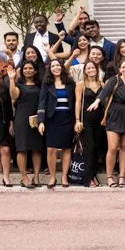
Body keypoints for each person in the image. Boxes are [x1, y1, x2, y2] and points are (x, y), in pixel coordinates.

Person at [95, 58, 125, 187]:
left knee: (124, 147)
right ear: (119, 69)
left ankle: (122, 176)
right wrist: (96, 102)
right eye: (123, 67)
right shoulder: (114, 80)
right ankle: (109, 177)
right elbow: (104, 92)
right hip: (114, 115)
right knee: (112, 147)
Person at [36, 57, 76, 188]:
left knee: (66, 148)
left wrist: (77, 121)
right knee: (51, 149)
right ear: (49, 69)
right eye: (53, 66)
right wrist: (41, 121)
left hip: (68, 119)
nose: (56, 68)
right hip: (52, 119)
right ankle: (53, 177)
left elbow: (76, 102)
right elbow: (41, 102)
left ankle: (64, 176)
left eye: (58, 65)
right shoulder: (46, 83)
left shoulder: (70, 83)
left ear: (62, 67)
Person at [10, 60, 44, 187]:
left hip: (37, 119)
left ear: (35, 71)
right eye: (25, 68)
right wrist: (12, 80)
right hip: (22, 119)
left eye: (30, 68)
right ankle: (24, 178)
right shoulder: (19, 85)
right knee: (22, 149)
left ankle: (36, 177)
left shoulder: (40, 86)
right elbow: (13, 95)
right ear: (22, 71)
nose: (28, 70)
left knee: (37, 149)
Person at [74, 59, 106, 187]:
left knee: (97, 148)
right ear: (85, 71)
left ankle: (93, 175)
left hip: (100, 120)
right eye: (88, 68)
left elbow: (105, 103)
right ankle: (88, 179)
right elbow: (78, 102)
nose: (91, 70)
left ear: (97, 69)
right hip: (86, 119)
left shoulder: (102, 84)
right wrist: (77, 120)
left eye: (93, 68)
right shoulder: (80, 84)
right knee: (89, 148)